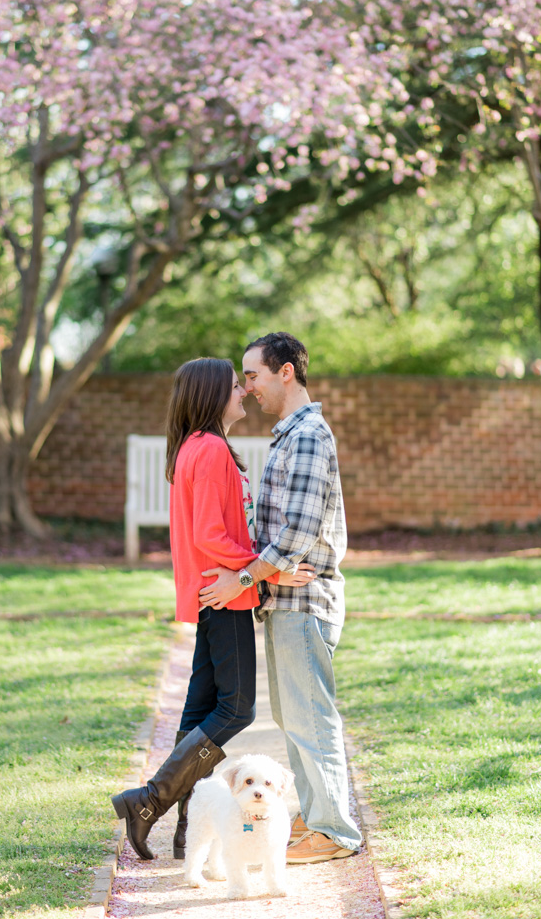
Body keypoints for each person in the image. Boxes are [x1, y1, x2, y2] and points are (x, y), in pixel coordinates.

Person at [111, 357, 314, 861]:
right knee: (237, 706)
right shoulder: (212, 452)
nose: (242, 392)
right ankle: (151, 799)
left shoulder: (192, 449)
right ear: (209, 395)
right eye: (232, 386)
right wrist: (264, 570)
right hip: (224, 593)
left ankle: (188, 828)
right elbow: (211, 535)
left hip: (210, 592)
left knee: (202, 708)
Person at [199, 332, 363, 864]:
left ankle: (334, 831)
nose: (247, 388)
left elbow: (297, 533)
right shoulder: (289, 436)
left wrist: (243, 579)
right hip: (285, 599)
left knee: (311, 717)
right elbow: (279, 532)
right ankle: (315, 818)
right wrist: (266, 576)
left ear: (285, 372)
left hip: (306, 601)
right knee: (295, 718)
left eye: (253, 375)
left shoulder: (309, 434)